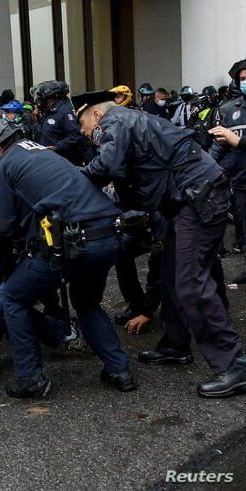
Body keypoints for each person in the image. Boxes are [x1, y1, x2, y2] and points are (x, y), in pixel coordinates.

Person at [76, 89, 246, 398]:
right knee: (171, 271)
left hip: (197, 197)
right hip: (187, 199)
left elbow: (107, 167)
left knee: (191, 281)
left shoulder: (115, 123)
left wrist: (72, 175)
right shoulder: (130, 120)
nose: (85, 133)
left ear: (97, 115)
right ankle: (176, 344)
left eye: (84, 125)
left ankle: (234, 364)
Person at [0, 116, 132, 398]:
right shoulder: (43, 153)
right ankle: (118, 369)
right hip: (107, 235)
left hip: (73, 242)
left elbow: (0, 227)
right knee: (87, 302)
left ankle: (29, 379)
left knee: (13, 298)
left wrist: (6, 263)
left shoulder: (4, 165)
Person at [210, 59, 246, 283]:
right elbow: (219, 145)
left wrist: (238, 141)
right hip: (242, 182)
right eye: (242, 79)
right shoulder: (230, 109)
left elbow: (233, 140)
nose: (245, 82)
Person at [35, 80, 93, 165]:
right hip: (49, 159)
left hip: (63, 160)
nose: (42, 102)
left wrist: (57, 147)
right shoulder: (50, 111)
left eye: (46, 100)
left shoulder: (65, 111)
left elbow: (75, 135)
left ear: (54, 98)